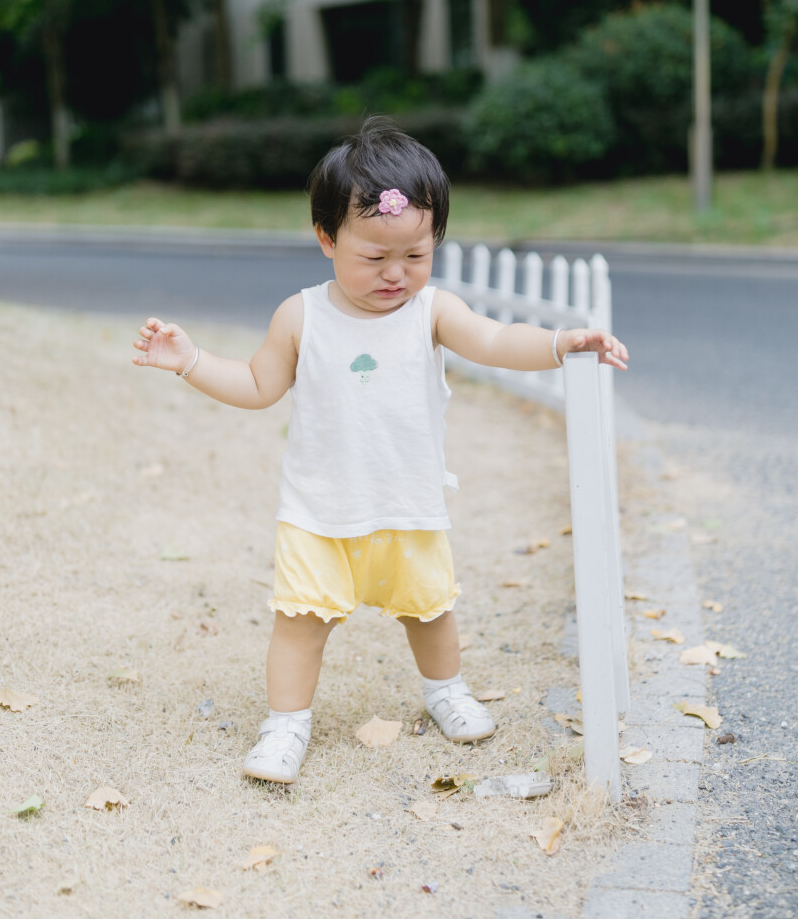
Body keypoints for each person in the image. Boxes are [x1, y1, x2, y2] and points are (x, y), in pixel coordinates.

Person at [132, 119, 628, 785]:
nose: (397, 274)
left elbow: (495, 339)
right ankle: (285, 726)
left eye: (416, 256)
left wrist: (559, 341)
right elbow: (256, 385)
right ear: (327, 239)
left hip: (408, 504)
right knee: (300, 624)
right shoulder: (301, 316)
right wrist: (189, 359)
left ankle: (445, 690)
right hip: (319, 511)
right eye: (374, 257)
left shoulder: (434, 311)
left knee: (431, 612)